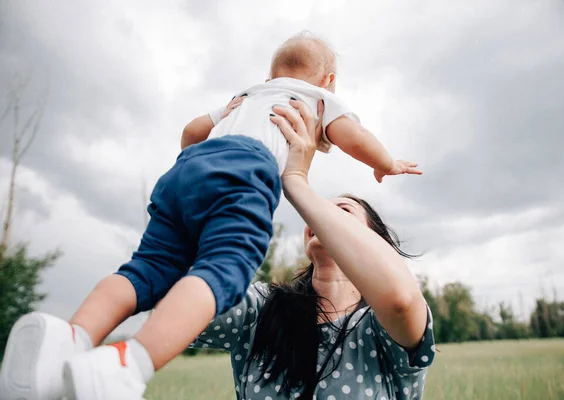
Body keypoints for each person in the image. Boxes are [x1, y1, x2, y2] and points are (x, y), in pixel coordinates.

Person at [0, 32, 422, 400]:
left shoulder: (249, 96)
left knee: (146, 270)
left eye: (343, 210)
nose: (326, 213)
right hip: (245, 170)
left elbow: (189, 133)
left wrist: (202, 178)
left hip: (186, 169)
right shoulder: (317, 99)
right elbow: (356, 137)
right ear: (329, 80)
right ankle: (126, 364)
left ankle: (72, 339)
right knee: (222, 269)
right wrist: (384, 164)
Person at [191, 97, 435, 399]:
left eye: (341, 212)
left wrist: (296, 182)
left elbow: (400, 300)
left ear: (376, 243)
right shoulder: (263, 307)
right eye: (315, 212)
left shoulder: (378, 326)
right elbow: (185, 301)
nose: (320, 217)